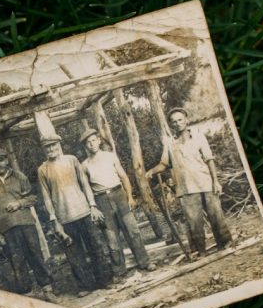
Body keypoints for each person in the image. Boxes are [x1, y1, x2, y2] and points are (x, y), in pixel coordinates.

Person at [146, 108, 233, 257]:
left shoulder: (198, 136)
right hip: (186, 188)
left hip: (205, 182)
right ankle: (201, 251)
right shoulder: (170, 143)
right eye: (174, 121)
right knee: (194, 222)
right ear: (171, 125)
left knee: (216, 215)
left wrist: (215, 181)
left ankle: (225, 244)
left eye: (180, 120)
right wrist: (151, 171)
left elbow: (209, 159)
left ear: (186, 119)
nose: (177, 123)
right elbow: (164, 164)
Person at [36, 134, 112, 294]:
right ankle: (85, 286)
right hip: (65, 218)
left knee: (96, 247)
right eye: (47, 147)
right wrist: (53, 219)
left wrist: (92, 205)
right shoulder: (43, 169)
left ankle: (104, 281)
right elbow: (46, 197)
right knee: (74, 255)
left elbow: (85, 184)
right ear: (43, 149)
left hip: (84, 211)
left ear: (59, 144)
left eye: (53, 145)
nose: (51, 149)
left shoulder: (72, 160)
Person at [0, 147, 54, 297]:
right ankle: (27, 293)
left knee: (35, 255)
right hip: (6, 229)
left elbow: (33, 198)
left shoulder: (19, 176)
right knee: (17, 260)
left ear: (6, 160)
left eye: (1, 160)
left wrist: (19, 203)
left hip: (26, 223)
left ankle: (47, 289)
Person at [80, 128, 155, 274]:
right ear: (85, 146)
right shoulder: (84, 165)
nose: (91, 144)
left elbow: (124, 177)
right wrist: (93, 206)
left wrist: (130, 197)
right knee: (111, 237)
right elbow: (87, 188)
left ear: (99, 140)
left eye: (93, 140)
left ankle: (145, 262)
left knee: (132, 230)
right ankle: (119, 270)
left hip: (118, 195)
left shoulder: (110, 156)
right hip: (101, 200)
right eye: (88, 143)